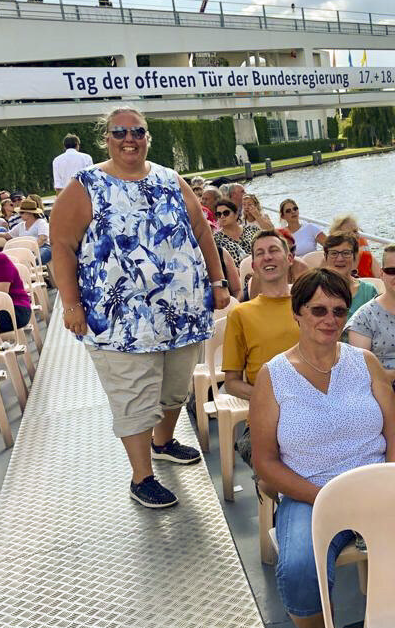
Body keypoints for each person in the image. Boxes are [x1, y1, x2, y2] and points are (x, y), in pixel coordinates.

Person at [249, 268, 395, 628]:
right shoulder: (274, 375)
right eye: (318, 310)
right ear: (297, 312)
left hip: (378, 485)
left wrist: (389, 479)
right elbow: (265, 461)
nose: (330, 320)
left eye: (338, 311)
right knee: (300, 568)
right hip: (309, 493)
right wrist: (326, 497)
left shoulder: (364, 362)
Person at [50, 106, 228, 509]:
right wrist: (71, 304)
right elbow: (62, 247)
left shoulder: (170, 178)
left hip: (181, 315)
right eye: (119, 133)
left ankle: (163, 442)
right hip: (118, 322)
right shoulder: (85, 185)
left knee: (175, 387)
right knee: (133, 396)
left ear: (148, 136)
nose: (129, 139)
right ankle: (141, 477)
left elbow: (202, 232)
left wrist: (217, 282)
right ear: (106, 139)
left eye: (137, 131)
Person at [223, 230, 299, 401]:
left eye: (273, 250)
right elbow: (231, 383)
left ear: (289, 259)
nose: (267, 257)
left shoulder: (310, 306)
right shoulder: (240, 314)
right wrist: (271, 398)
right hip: (268, 412)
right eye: (260, 253)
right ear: (254, 266)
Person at [347, 242, 395, 382]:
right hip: (384, 387)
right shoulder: (364, 318)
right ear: (382, 274)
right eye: (392, 271)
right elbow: (359, 369)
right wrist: (393, 374)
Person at [321, 231, 377, 317]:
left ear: (354, 256)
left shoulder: (368, 292)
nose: (340, 259)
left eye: (346, 253)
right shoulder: (316, 289)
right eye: (334, 253)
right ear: (325, 256)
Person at [4, 199, 51, 264]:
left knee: (35, 259)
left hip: (42, 247)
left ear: (30, 213)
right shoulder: (21, 225)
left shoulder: (41, 222)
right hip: (25, 250)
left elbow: (42, 239)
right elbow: (7, 235)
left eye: (22, 212)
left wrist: (28, 249)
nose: (19, 214)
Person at [213, 199, 258, 265]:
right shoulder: (215, 239)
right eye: (218, 214)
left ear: (236, 214)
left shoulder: (253, 230)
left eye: (226, 213)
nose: (222, 216)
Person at [330, 213, 375, 278]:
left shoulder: (365, 255)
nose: (355, 235)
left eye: (356, 231)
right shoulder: (330, 259)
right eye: (348, 233)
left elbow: (380, 277)